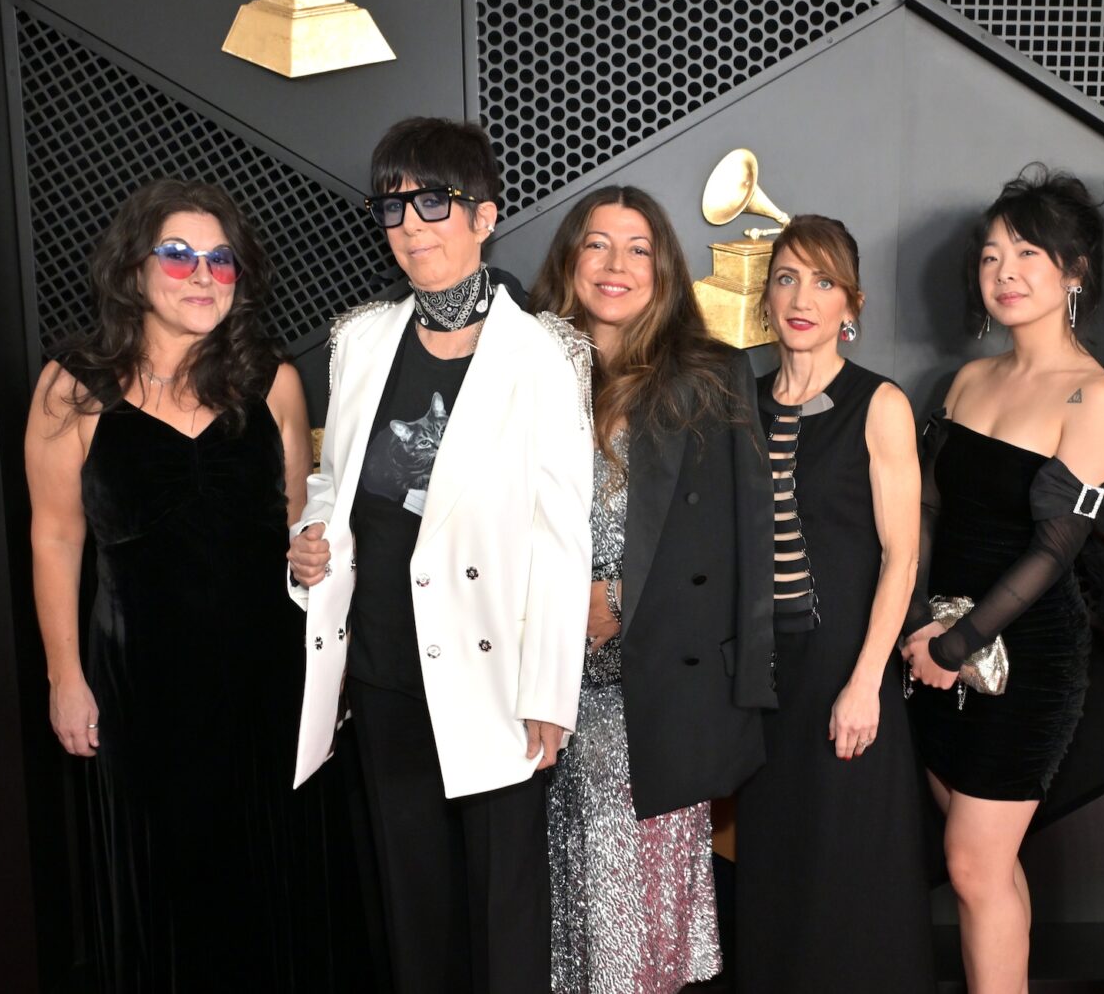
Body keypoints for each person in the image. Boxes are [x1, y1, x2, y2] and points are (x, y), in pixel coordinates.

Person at [285, 117, 593, 993]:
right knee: (410, 905)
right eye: (394, 205)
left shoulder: (547, 355)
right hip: (380, 665)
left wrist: (548, 692)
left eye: (434, 201)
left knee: (502, 912)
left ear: (484, 215)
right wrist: (311, 544)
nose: (412, 224)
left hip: (493, 674)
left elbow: (563, 535)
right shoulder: (362, 338)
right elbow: (334, 481)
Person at [25, 178, 346, 990]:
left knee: (265, 887)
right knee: (160, 893)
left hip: (265, 686)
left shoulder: (273, 382)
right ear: (134, 269)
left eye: (221, 260)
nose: (203, 275)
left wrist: (308, 554)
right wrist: (65, 677)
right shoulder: (73, 386)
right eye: (179, 256)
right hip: (139, 693)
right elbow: (57, 535)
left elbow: (296, 530)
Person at [528, 185, 775, 993]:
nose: (616, 265)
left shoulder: (711, 374)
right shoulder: (523, 372)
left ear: (664, 267)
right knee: (553, 920)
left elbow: (737, 543)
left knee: (636, 936)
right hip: (535, 691)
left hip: (657, 695)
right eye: (597, 244)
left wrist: (620, 602)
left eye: (637, 248)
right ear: (570, 258)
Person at [901, 166, 1104, 992]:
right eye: (992, 256)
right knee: (985, 871)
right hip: (934, 647)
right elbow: (928, 516)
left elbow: (1054, 551)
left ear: (1074, 272)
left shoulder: (1093, 397)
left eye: (1028, 253)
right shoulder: (967, 381)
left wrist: (958, 642)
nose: (1005, 273)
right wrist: (917, 626)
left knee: (970, 864)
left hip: (1023, 658)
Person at [735, 215, 936, 993]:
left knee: (852, 876)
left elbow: (903, 554)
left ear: (850, 303)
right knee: (778, 867)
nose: (801, 296)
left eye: (822, 281)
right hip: (764, 682)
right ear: (765, 296)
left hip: (847, 669)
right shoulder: (740, 402)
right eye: (786, 277)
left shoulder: (878, 403)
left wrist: (865, 681)